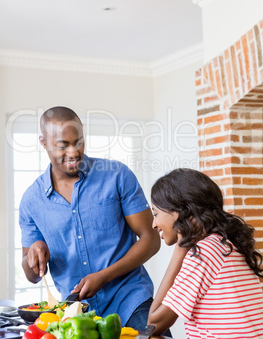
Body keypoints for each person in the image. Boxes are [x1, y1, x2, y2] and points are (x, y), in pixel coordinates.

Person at [19, 106, 161, 330]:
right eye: (62, 145)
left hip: (131, 301)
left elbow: (151, 240)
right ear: (44, 143)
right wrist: (33, 255)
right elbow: (32, 276)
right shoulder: (31, 201)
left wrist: (104, 276)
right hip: (78, 316)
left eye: (79, 142)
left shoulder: (116, 175)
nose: (74, 152)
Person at [147, 168, 263, 339]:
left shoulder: (204, 254)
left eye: (155, 213)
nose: (154, 224)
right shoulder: (227, 244)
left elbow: (153, 324)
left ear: (180, 212)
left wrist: (181, 248)